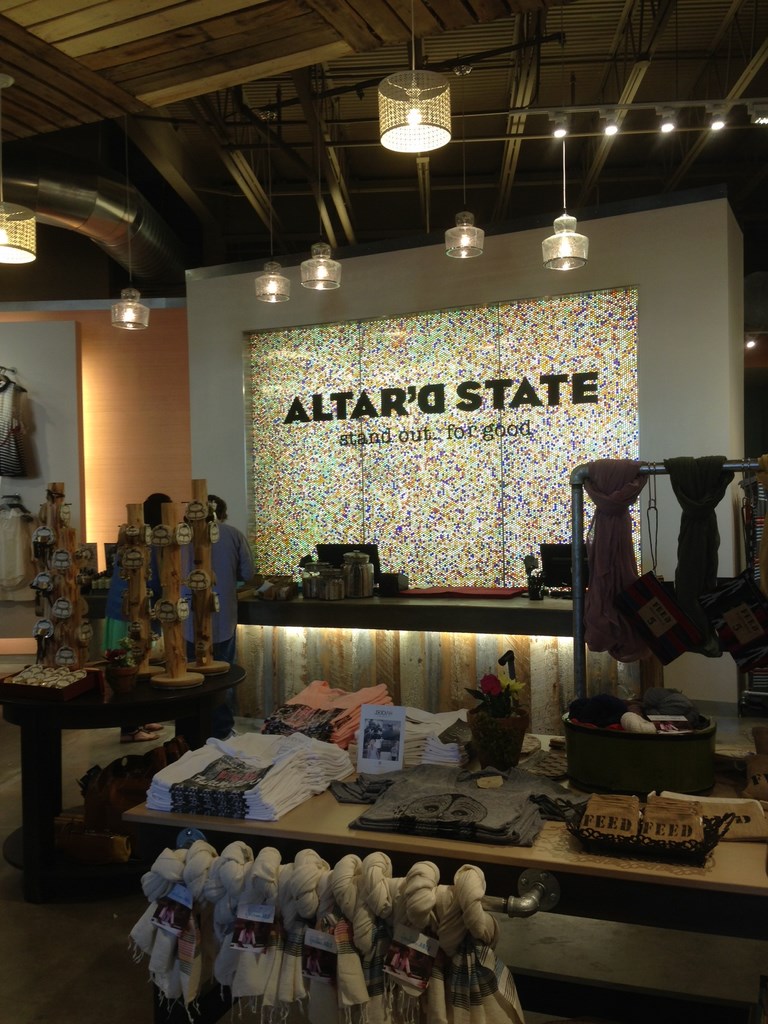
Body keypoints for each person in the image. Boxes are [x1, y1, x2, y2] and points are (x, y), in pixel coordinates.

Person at [184, 494, 254, 738]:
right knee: (221, 675)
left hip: (185, 617)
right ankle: (220, 731)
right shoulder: (233, 535)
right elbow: (248, 573)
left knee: (187, 674)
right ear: (221, 514)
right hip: (222, 615)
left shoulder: (179, 536)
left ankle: (189, 732)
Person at [105, 492, 171, 742]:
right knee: (128, 671)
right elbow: (154, 580)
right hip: (130, 613)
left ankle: (139, 719)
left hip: (126, 610)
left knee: (138, 666)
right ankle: (129, 728)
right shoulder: (151, 543)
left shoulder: (134, 538)